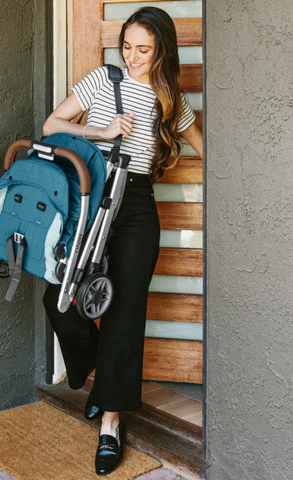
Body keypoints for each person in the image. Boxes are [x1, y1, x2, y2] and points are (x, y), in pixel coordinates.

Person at [42, 6, 203, 476]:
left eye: (144, 50)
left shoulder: (170, 96)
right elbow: (54, 125)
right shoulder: (102, 80)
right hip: (93, 200)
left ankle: (111, 421)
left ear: (163, 51)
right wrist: (100, 129)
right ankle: (103, 374)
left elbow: (200, 141)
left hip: (135, 204)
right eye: (127, 46)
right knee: (60, 297)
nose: (133, 57)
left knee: (125, 311)